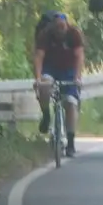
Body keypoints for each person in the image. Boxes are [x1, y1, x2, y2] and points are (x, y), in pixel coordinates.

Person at [33, 11, 85, 157]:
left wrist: (77, 78)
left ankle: (71, 142)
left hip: (69, 69)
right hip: (50, 68)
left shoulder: (74, 34)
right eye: (57, 28)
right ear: (53, 27)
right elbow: (39, 57)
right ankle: (46, 114)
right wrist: (38, 79)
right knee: (45, 87)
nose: (60, 32)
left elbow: (79, 56)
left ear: (67, 26)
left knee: (70, 103)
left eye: (62, 28)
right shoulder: (45, 35)